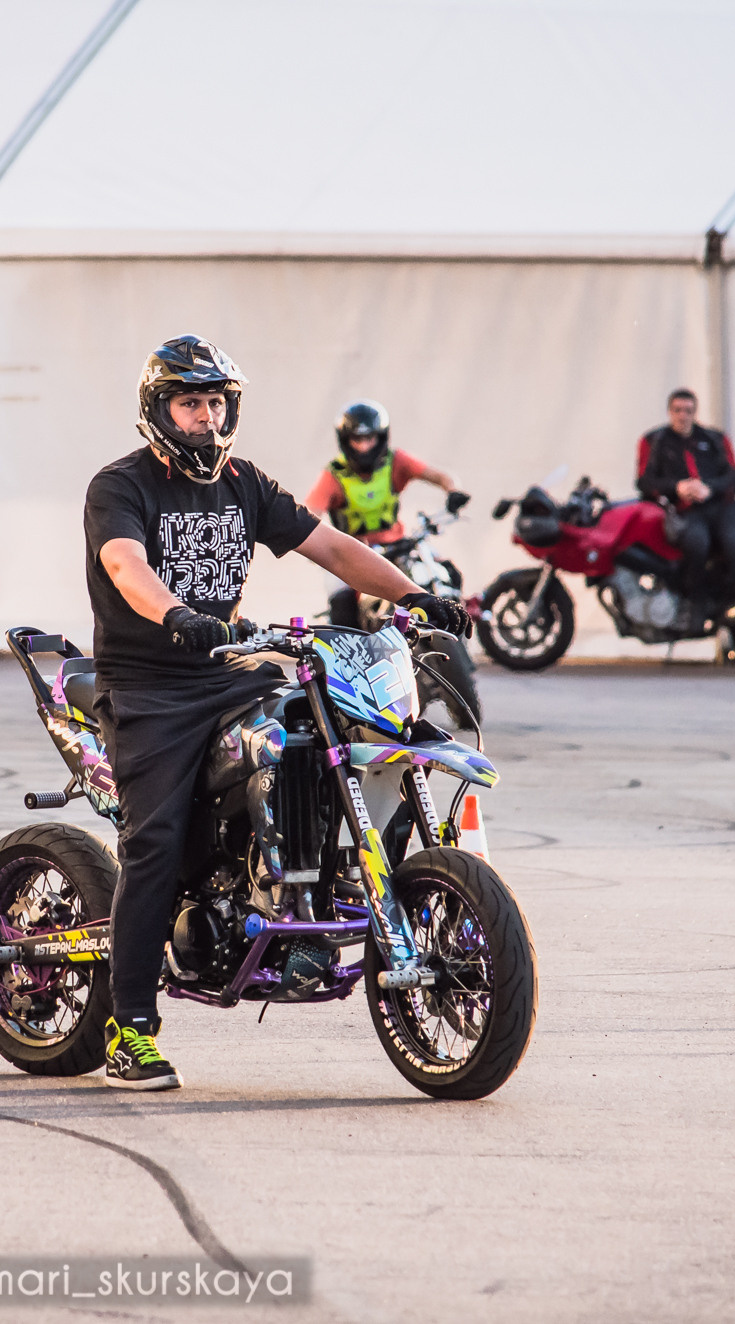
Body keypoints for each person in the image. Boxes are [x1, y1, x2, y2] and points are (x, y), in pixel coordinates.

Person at [84, 336, 470, 1091]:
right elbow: (126, 565)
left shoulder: (245, 483)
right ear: (159, 410)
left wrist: (415, 596)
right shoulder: (120, 486)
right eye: (190, 403)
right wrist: (177, 615)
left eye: (216, 402)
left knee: (312, 737)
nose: (206, 417)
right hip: (148, 686)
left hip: (228, 671)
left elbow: (332, 546)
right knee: (153, 842)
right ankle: (130, 1030)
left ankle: (302, 898)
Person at [303, 400, 470, 627]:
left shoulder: (396, 461)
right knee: (342, 604)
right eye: (357, 439)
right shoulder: (334, 474)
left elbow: (441, 476)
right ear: (345, 440)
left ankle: (457, 635)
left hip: (400, 544)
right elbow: (310, 512)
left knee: (449, 575)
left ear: (380, 437)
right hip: (353, 551)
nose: (363, 446)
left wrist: (453, 491)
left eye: (369, 438)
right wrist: (314, 538)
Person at [635, 388, 735, 623]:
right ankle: (696, 609)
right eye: (678, 410)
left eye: (688, 411)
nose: (683, 416)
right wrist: (677, 487)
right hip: (686, 512)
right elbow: (644, 481)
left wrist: (709, 488)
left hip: (723, 509)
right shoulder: (654, 441)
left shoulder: (714, 439)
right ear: (669, 412)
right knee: (695, 544)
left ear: (695, 412)